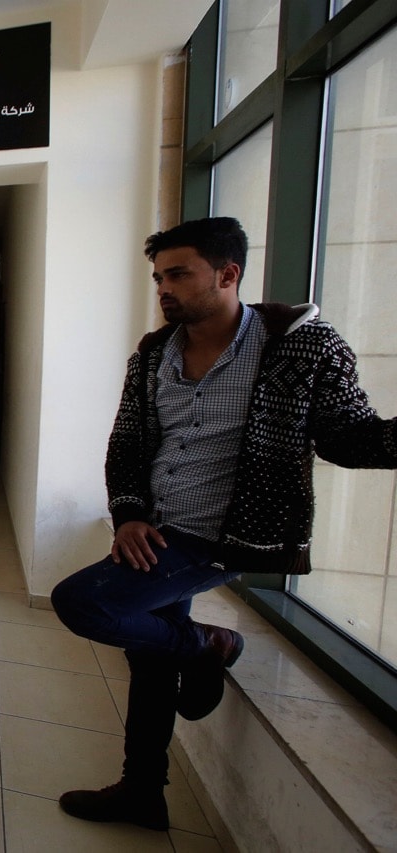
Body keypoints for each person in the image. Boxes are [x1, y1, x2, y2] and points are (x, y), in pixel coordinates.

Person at [50, 217, 397, 831]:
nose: (164, 288)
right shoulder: (155, 352)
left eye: (179, 274)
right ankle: (142, 792)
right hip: (156, 529)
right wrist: (128, 514)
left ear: (228, 274)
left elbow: (349, 437)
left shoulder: (302, 345)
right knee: (148, 656)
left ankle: (211, 644)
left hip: (224, 536)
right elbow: (127, 440)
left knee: (81, 603)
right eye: (159, 276)